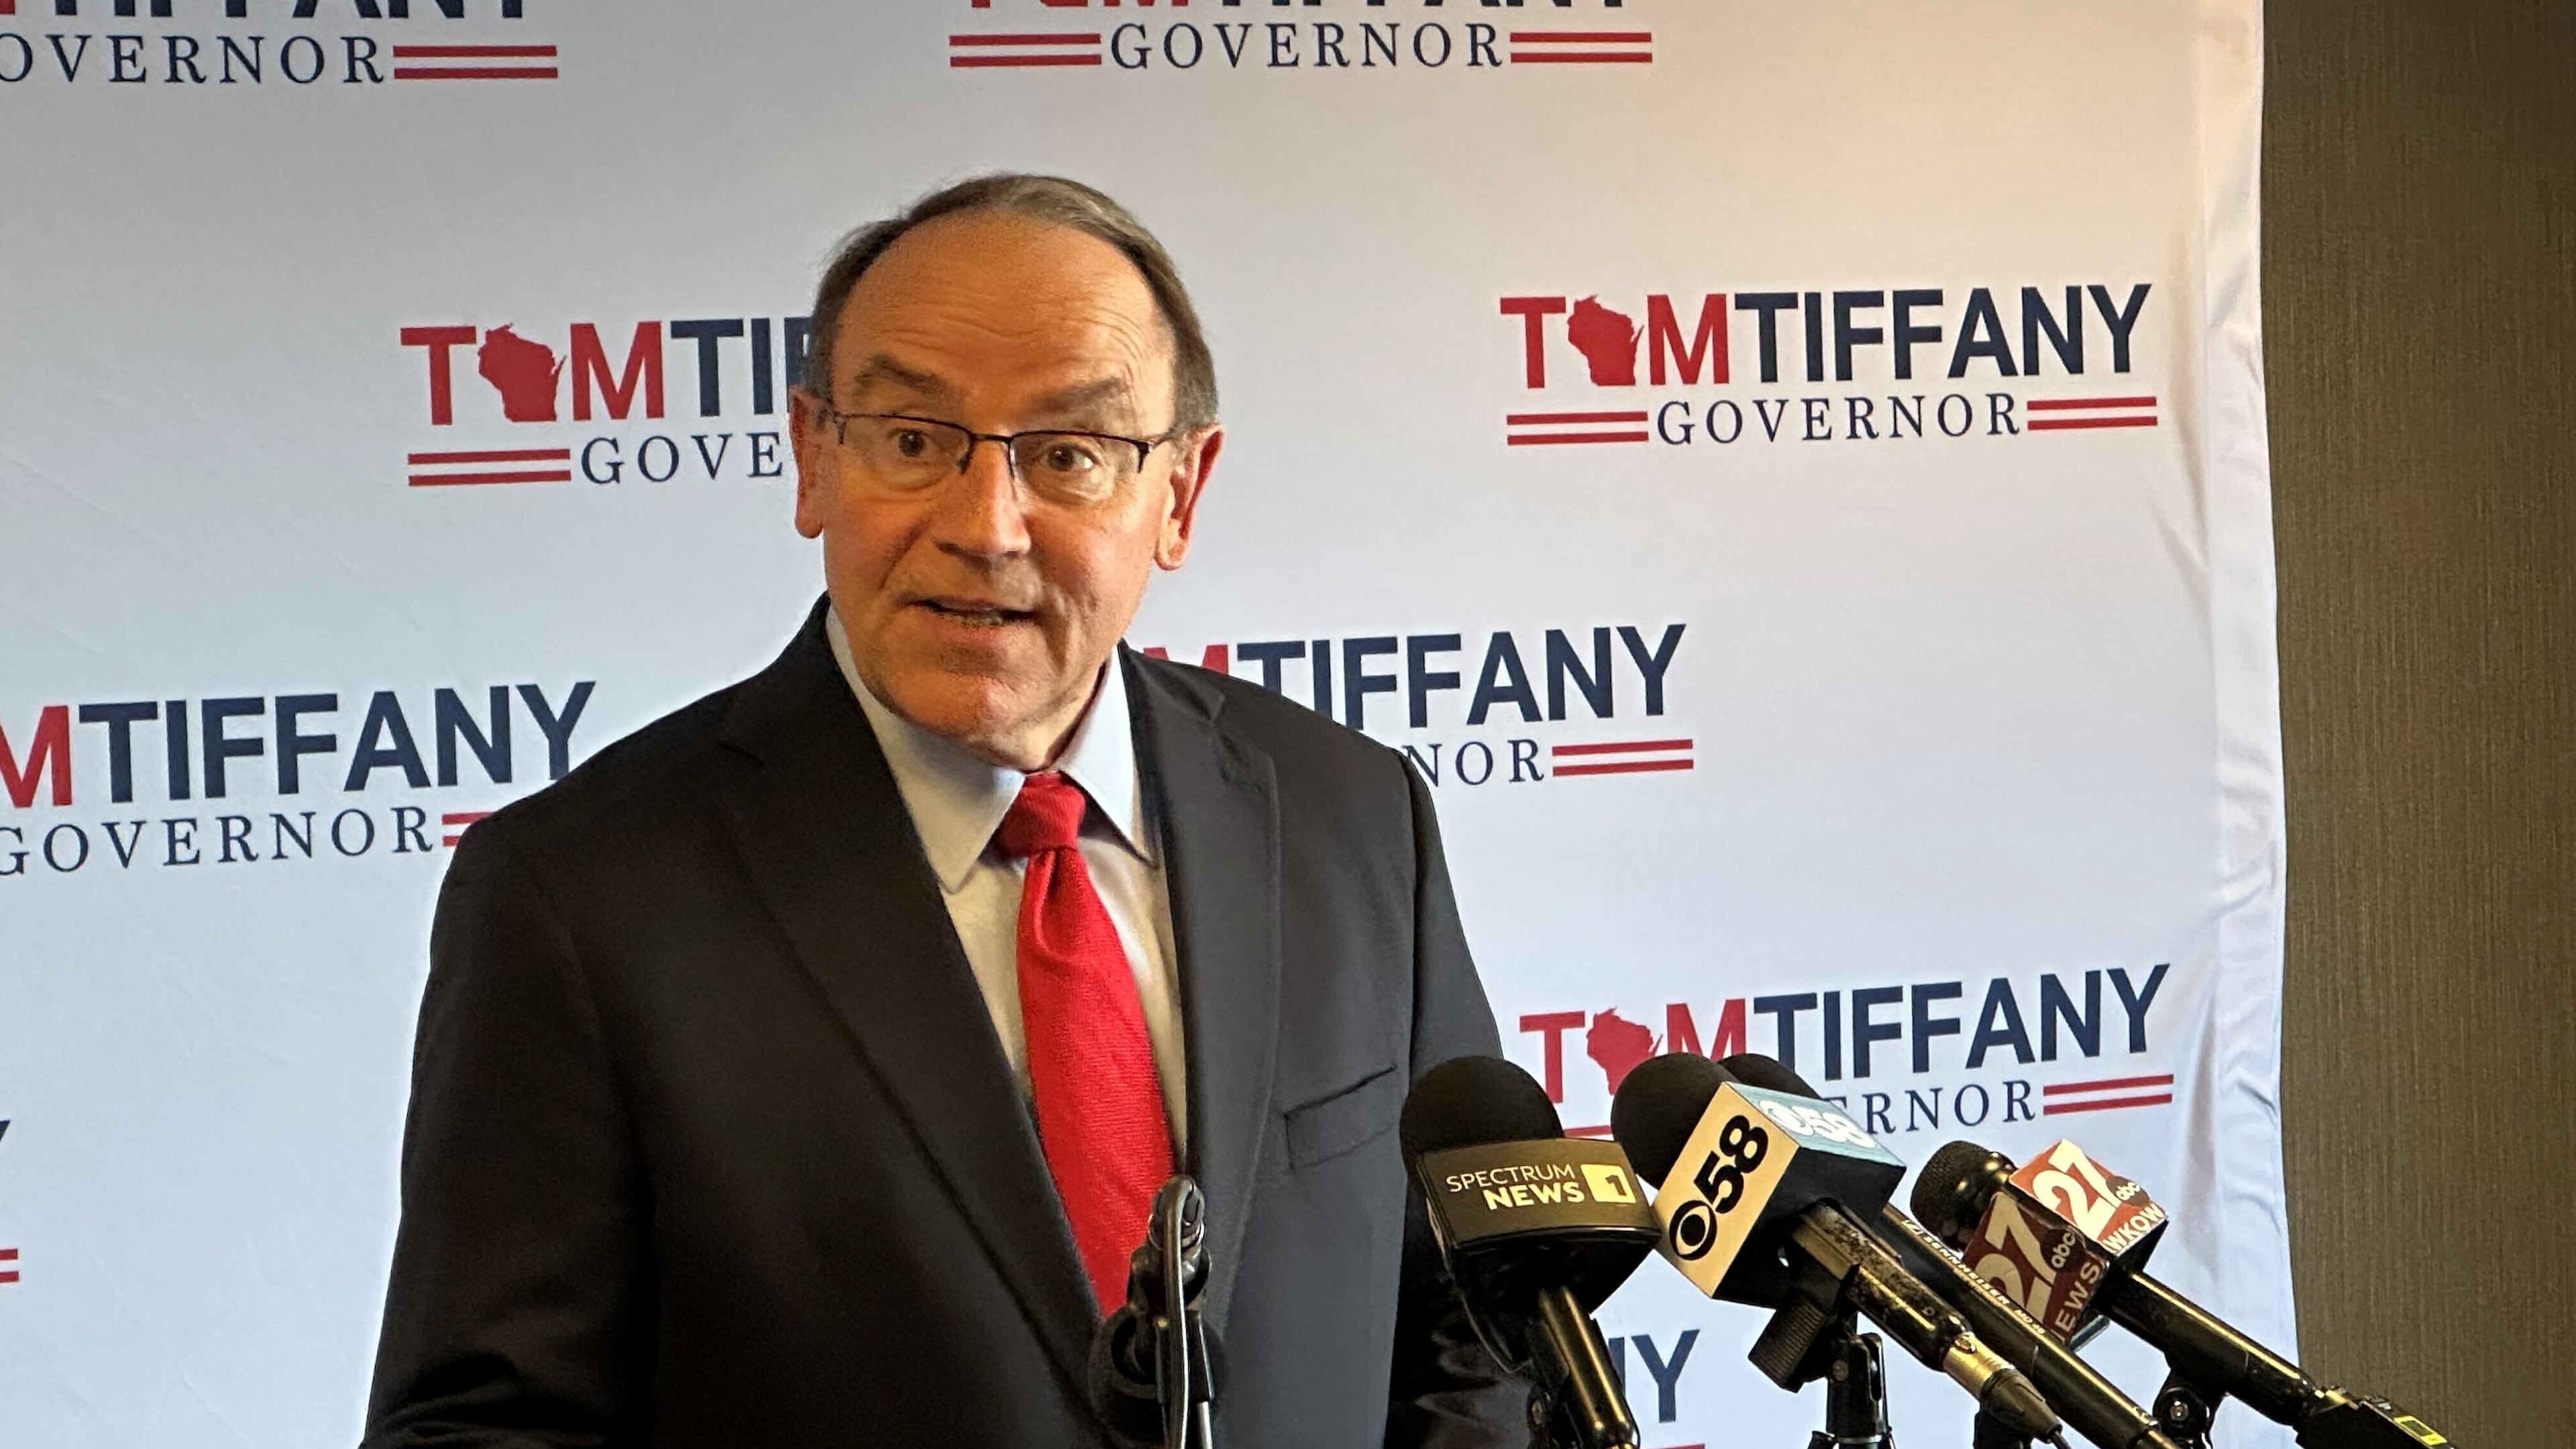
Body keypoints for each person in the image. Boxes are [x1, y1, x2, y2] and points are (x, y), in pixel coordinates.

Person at [362, 174, 1525, 1448]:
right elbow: (491, 1429)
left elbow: (1478, 1327)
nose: (986, 527)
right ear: (814, 458)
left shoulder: (1353, 816)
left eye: (1070, 455)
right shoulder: (580, 895)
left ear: (1180, 497)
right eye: (913, 441)